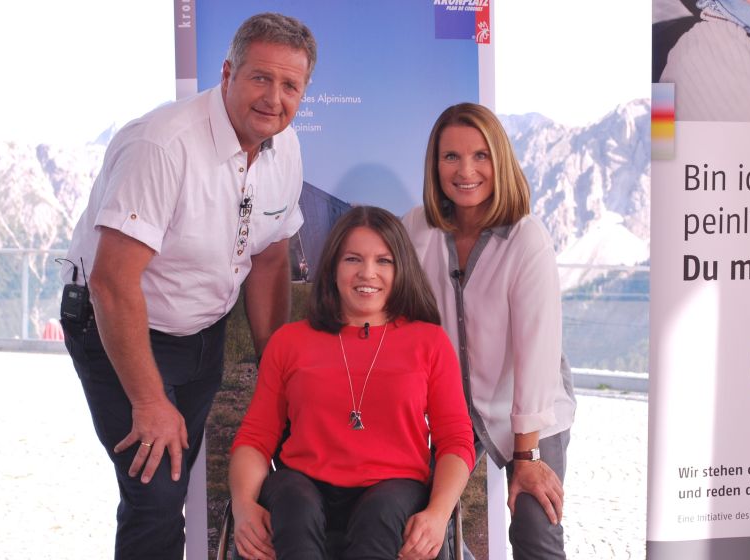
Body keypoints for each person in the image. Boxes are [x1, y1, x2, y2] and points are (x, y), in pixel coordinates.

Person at [59, 13, 315, 559]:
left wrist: (280, 370)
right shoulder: (162, 145)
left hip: (203, 329)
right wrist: (149, 400)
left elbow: (270, 257)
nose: (274, 98)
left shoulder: (285, 147)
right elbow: (111, 282)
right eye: (260, 78)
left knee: (169, 483)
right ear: (227, 73)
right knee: (156, 494)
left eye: (290, 85)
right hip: (118, 324)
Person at [229, 206, 475, 560]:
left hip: (394, 490)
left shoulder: (429, 342)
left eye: (384, 261)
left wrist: (438, 515)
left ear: (401, 267)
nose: (368, 273)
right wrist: (242, 506)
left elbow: (455, 441)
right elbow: (255, 437)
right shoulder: (289, 342)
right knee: (291, 499)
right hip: (303, 486)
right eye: (353, 259)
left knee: (381, 514)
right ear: (332, 268)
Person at [403, 103, 577, 559]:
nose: (466, 171)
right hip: (445, 414)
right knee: (421, 531)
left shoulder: (526, 238)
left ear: (499, 161)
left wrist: (528, 459)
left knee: (536, 532)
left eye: (481, 156)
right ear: (434, 164)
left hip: (530, 412)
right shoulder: (415, 229)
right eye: (451, 157)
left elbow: (538, 356)